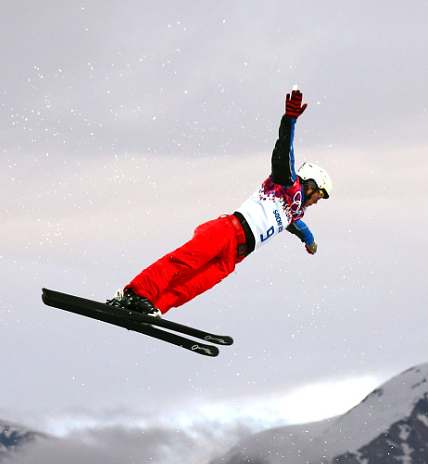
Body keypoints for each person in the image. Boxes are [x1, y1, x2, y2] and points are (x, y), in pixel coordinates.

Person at [108, 88, 331, 317]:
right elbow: (284, 152)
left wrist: (310, 241)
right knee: (181, 263)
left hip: (233, 258)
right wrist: (289, 120)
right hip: (227, 232)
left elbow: (296, 226)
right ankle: (136, 294)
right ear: (312, 184)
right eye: (319, 195)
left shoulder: (295, 212)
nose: (317, 201)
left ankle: (152, 309)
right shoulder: (285, 183)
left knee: (188, 288)